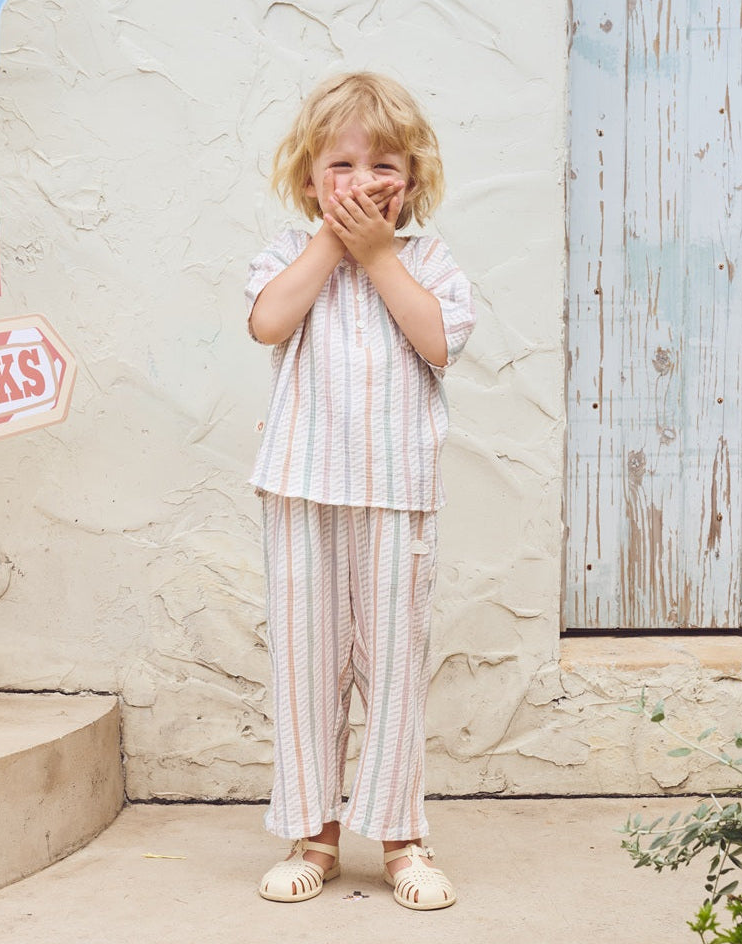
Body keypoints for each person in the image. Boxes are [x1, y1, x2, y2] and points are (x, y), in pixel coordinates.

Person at [245, 71, 475, 911]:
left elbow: (439, 343)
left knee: (393, 668)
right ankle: (315, 833)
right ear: (309, 179)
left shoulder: (427, 261)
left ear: (409, 184)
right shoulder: (286, 253)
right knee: (306, 667)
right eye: (339, 165)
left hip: (395, 492)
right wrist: (332, 246)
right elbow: (269, 322)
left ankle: (404, 837)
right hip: (300, 489)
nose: (360, 180)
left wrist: (377, 255)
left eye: (382, 165)